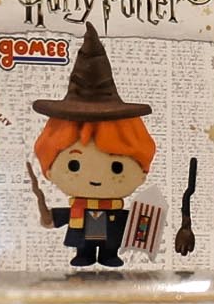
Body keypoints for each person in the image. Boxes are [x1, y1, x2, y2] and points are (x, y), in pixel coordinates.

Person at [26, 24, 159, 268]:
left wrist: (145, 223)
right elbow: (57, 218)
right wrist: (49, 217)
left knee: (111, 247)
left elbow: (135, 222)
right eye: (74, 165)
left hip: (112, 237)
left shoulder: (116, 208)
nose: (96, 177)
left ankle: (109, 254)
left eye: (117, 167)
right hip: (82, 237)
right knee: (83, 251)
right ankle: (84, 253)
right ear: (49, 167)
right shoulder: (77, 207)